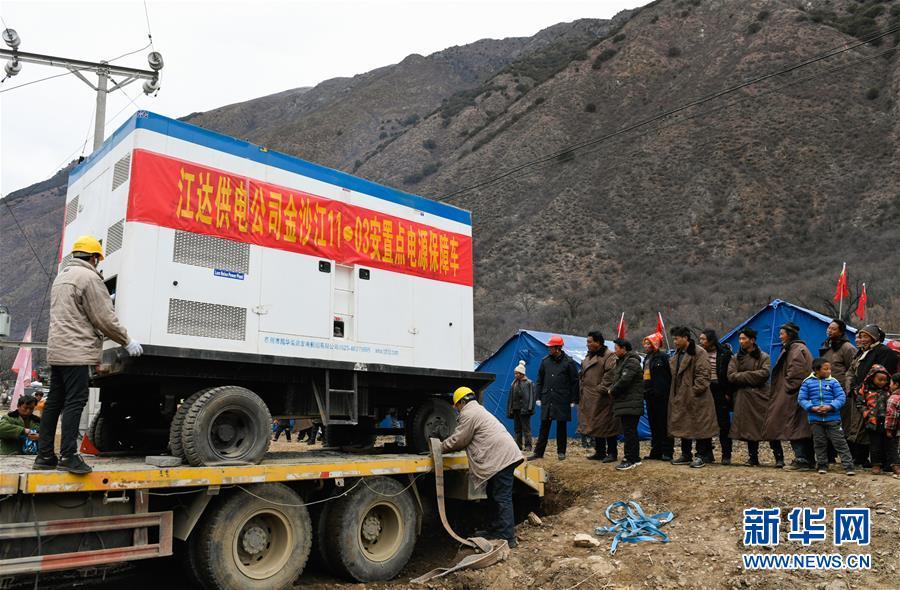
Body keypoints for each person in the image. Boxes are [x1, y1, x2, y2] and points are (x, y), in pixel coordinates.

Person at [36, 235, 143, 474]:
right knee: (75, 401)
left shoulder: (62, 277)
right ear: (94, 257)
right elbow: (104, 318)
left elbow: (76, 310)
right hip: (76, 351)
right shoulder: (89, 277)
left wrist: (104, 298)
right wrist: (127, 341)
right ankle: (68, 456)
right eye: (98, 259)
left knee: (54, 402)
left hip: (58, 349)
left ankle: (44, 456)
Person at [442, 386, 523, 548]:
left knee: (502, 497)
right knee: (493, 495)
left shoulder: (469, 413)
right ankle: (495, 530)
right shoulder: (477, 410)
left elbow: (460, 439)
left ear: (461, 402)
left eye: (456, 406)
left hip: (501, 458)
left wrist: (440, 447)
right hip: (501, 456)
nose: (457, 410)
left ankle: (508, 537)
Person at [727, 328, 784, 467]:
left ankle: (779, 458)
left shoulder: (764, 356)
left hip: (761, 396)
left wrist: (743, 376)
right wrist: (751, 375)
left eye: (744, 338)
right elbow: (731, 376)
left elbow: (764, 374)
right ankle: (753, 458)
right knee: (749, 428)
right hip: (744, 397)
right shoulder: (735, 358)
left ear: (752, 340)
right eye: (740, 339)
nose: (741, 341)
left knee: (769, 426)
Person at [763, 322, 814, 471]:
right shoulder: (796, 348)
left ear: (790, 334)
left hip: (793, 394)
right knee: (799, 426)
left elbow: (797, 373)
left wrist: (787, 388)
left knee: (795, 426)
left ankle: (802, 459)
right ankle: (808, 459)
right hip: (796, 393)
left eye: (782, 334)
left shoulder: (795, 349)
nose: (780, 336)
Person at [847, 324, 899, 467]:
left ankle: (884, 462)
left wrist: (866, 388)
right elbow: (853, 371)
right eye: (861, 337)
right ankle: (862, 458)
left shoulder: (884, 352)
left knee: (879, 429)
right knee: (861, 426)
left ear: (874, 337)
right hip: (861, 392)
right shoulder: (863, 352)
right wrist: (854, 388)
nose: (862, 339)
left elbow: (882, 374)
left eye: (865, 337)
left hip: (877, 396)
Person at [668, 327, 718, 468]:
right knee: (684, 425)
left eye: (677, 338)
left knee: (700, 426)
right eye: (674, 339)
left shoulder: (699, 352)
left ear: (685, 338)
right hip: (681, 396)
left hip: (697, 397)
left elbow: (704, 375)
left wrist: (693, 392)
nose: (675, 341)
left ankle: (702, 455)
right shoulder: (678, 353)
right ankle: (686, 454)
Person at [797, 358, 855, 476]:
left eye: (829, 369)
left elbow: (841, 398)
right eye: (826, 369)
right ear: (816, 370)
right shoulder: (807, 382)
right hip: (815, 419)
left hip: (833, 418)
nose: (829, 371)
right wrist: (812, 408)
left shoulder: (833, 382)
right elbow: (802, 399)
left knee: (840, 442)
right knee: (819, 443)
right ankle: (822, 465)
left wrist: (830, 407)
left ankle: (848, 466)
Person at [529, 335, 580, 461]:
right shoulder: (545, 361)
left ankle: (561, 452)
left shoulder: (568, 362)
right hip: (547, 398)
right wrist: (538, 396)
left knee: (561, 426)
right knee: (544, 426)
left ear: (558, 348)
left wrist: (574, 399)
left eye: (551, 347)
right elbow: (539, 380)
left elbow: (574, 382)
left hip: (562, 399)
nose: (549, 349)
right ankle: (538, 453)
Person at [577, 331, 620, 462]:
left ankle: (612, 453)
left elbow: (610, 375)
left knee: (608, 425)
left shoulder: (609, 356)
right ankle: (600, 451)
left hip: (603, 397)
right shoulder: (589, 355)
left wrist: (600, 389)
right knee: (595, 424)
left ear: (598, 342)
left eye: (590, 342)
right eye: (587, 342)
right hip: (589, 396)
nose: (587, 344)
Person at [819, 319, 857, 463]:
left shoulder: (847, 348)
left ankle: (849, 457)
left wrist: (847, 389)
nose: (829, 331)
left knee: (843, 424)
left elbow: (853, 370)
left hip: (841, 392)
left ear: (841, 332)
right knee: (826, 422)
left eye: (833, 329)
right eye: (829, 328)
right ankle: (830, 456)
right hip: (825, 391)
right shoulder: (826, 345)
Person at [699, 330, 734, 465]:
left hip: (720, 389)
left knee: (723, 423)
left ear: (711, 341)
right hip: (705, 390)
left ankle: (726, 454)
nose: (701, 342)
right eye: (700, 339)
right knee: (705, 421)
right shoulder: (700, 353)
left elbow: (730, 373)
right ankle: (707, 453)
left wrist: (728, 392)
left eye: (703, 339)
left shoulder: (724, 353)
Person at [609, 339, 644, 470]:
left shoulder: (632, 362)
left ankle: (630, 459)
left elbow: (624, 380)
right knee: (630, 430)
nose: (615, 351)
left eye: (616, 348)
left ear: (624, 349)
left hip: (631, 402)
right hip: (626, 402)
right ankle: (635, 457)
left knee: (629, 431)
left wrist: (612, 390)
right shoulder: (622, 361)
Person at [855, 364, 893, 474]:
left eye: (885, 380)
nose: (882, 382)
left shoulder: (889, 390)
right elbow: (860, 403)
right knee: (875, 444)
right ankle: (876, 465)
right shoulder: (865, 389)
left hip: (887, 421)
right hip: (872, 421)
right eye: (880, 379)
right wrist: (866, 413)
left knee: (888, 443)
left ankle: (888, 464)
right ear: (872, 378)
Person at [642, 332, 673, 461]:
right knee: (653, 424)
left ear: (655, 344)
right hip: (649, 395)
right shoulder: (647, 358)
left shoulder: (664, 357)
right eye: (645, 343)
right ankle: (656, 451)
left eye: (649, 343)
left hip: (662, 396)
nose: (646, 346)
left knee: (663, 424)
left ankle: (667, 451)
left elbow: (670, 375)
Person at [506, 360, 536, 451]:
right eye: (515, 373)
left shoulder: (529, 383)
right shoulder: (514, 384)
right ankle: (518, 446)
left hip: (525, 410)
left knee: (526, 429)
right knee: (517, 429)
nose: (515, 375)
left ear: (522, 373)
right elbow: (511, 397)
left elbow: (532, 397)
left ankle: (528, 446)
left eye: (517, 373)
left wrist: (530, 408)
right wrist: (510, 408)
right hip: (516, 409)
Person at [885, 374, 900, 478]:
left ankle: (898, 470)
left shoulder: (894, 398)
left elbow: (891, 416)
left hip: (898, 430)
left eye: (890, 382)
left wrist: (889, 429)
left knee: (896, 449)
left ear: (896, 384)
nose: (889, 385)